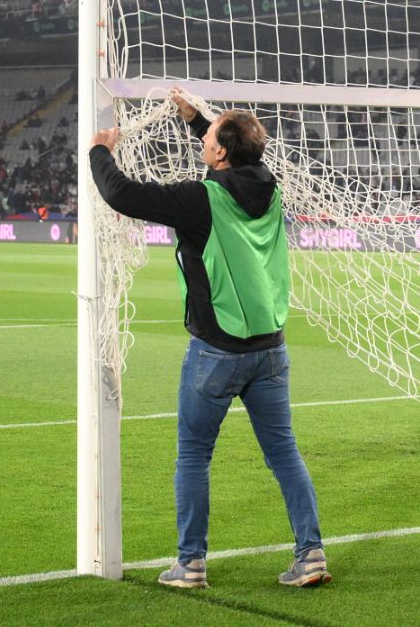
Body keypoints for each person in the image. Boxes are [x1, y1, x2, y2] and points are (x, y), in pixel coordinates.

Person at [88, 90, 328, 590]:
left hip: (216, 349)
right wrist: (198, 120)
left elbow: (124, 196)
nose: (206, 140)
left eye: (211, 136)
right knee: (284, 452)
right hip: (270, 346)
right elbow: (237, 162)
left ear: (220, 153)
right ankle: (311, 555)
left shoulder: (203, 198)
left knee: (194, 453)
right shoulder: (270, 186)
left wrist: (99, 153)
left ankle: (191, 563)